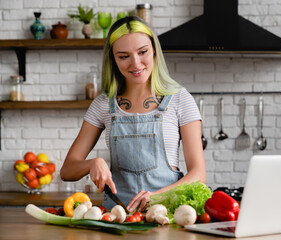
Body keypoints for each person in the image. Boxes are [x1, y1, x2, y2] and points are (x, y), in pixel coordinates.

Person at [60, 16, 206, 212]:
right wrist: (92, 163)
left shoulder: (180, 99)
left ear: (154, 50)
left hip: (168, 214)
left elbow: (198, 174)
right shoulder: (103, 104)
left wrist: (157, 196)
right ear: (113, 59)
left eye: (142, 52)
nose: (135, 63)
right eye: (123, 56)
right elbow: (67, 170)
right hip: (118, 217)